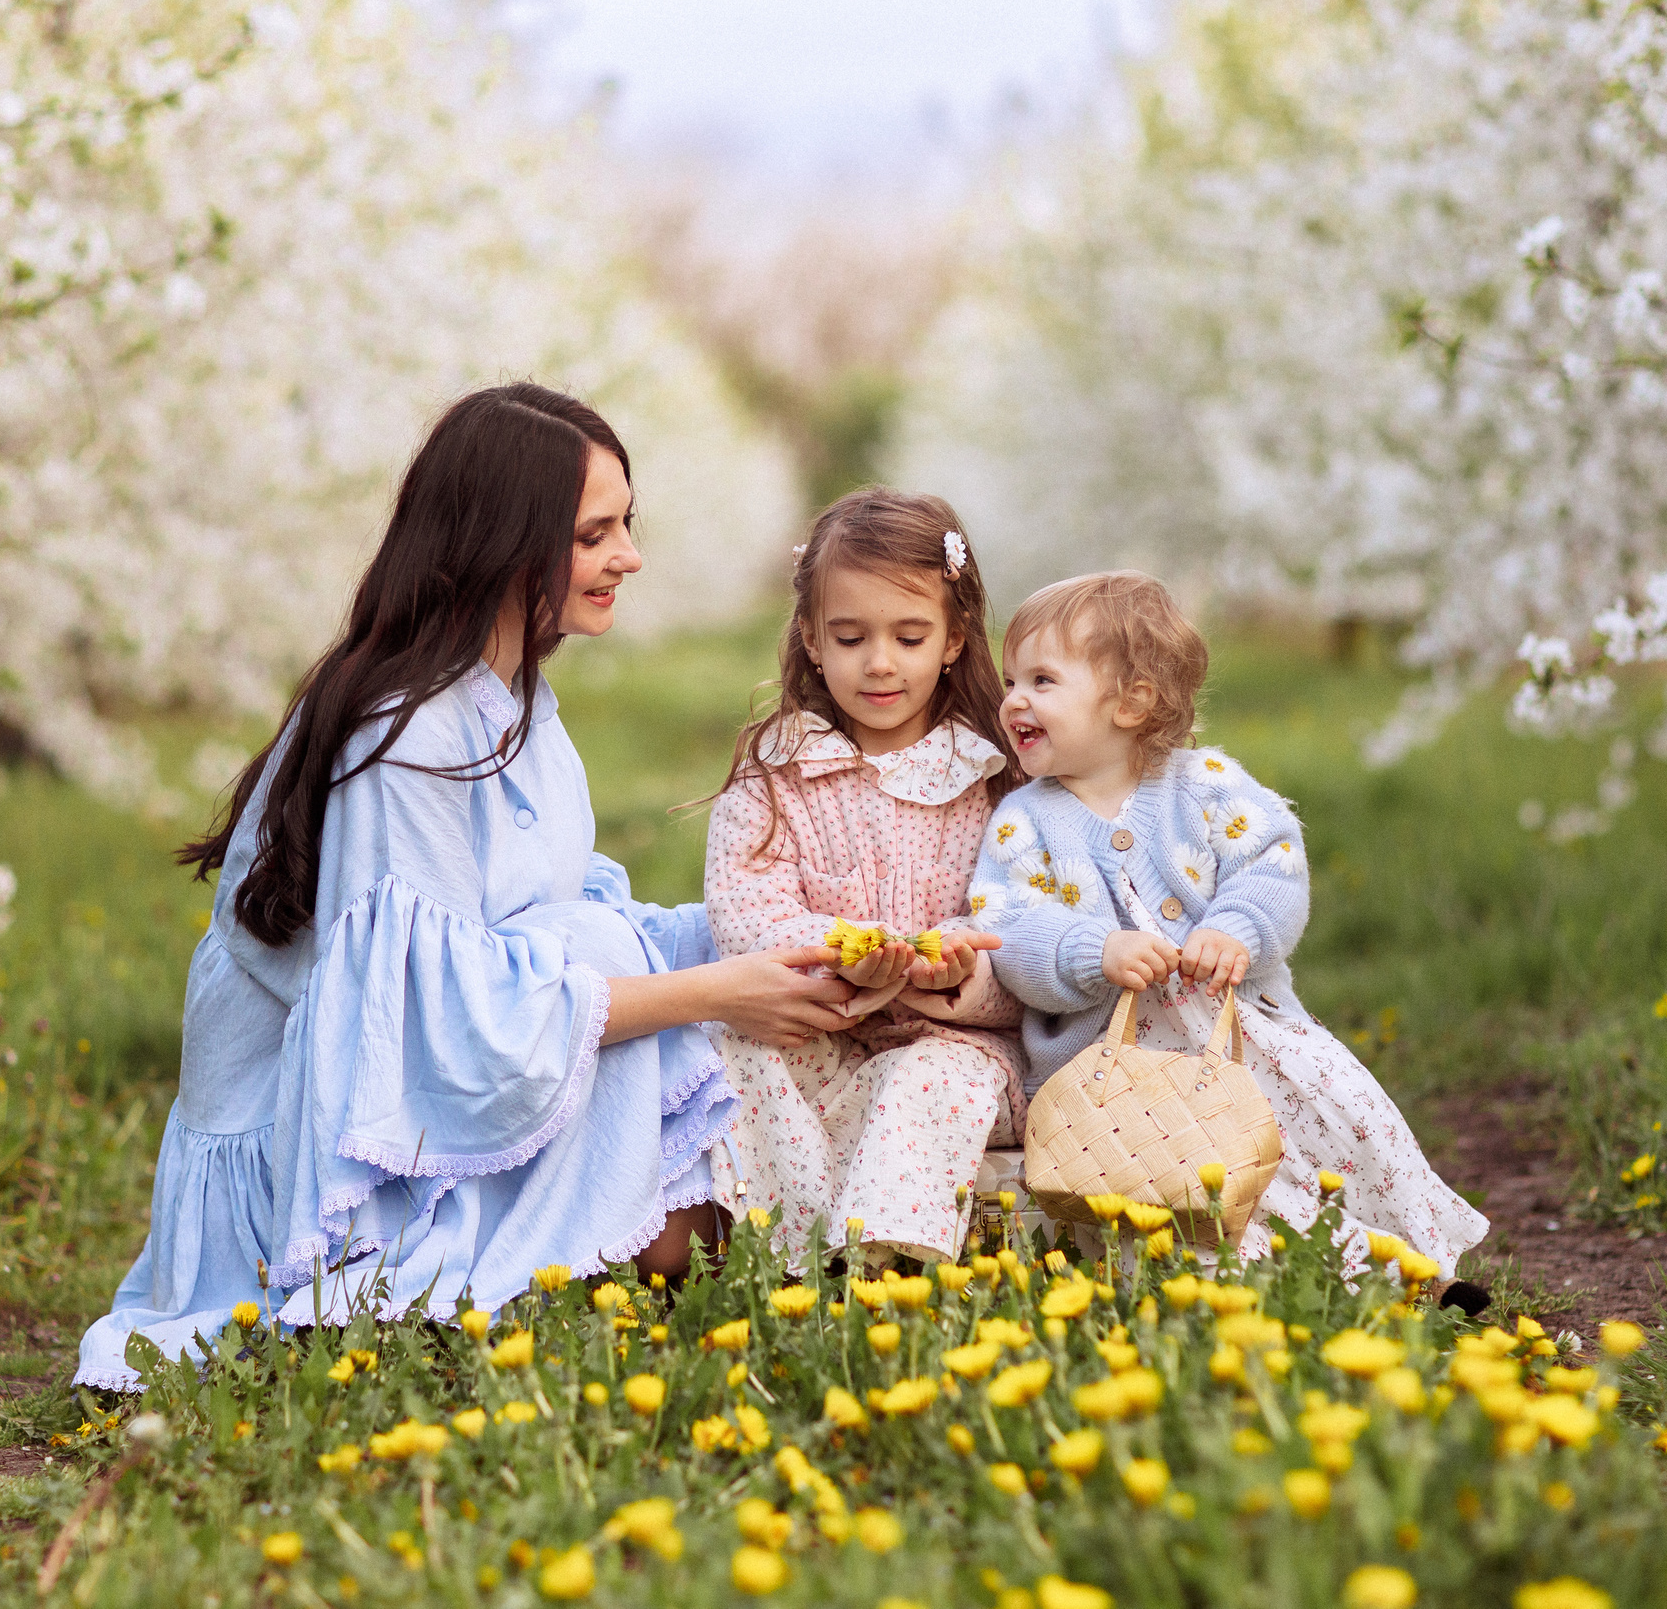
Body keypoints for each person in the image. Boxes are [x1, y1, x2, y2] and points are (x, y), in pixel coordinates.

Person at [75, 384, 857, 1390]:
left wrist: (771, 938)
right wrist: (719, 991)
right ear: (507, 542)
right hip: (330, 1139)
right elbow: (431, 1022)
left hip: (452, 1073)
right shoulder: (406, 736)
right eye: (594, 533)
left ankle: (703, 1260)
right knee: (621, 991)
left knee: (614, 966)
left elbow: (548, 925)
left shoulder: (513, 697)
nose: (630, 556)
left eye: (628, 524)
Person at [969, 571, 1487, 1278]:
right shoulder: (1022, 822)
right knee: (1187, 1184)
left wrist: (1236, 928)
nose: (1015, 700)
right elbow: (1008, 930)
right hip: (1119, 1074)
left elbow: (1272, 864)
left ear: (1131, 701)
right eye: (1011, 681)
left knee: (1342, 1119)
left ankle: (1411, 1261)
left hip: (1245, 1034)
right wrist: (1094, 949)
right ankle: (1275, 1279)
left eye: (1042, 680)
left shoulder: (1206, 785)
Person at [702, 490, 1028, 1268]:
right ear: (813, 639)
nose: (880, 663)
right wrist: (845, 948)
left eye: (909, 636)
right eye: (850, 637)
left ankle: (888, 1260)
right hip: (820, 1031)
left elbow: (1031, 929)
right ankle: (794, 1255)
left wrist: (958, 969)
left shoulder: (994, 781)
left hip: (950, 1043)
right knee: (733, 1050)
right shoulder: (778, 776)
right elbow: (745, 908)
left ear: (952, 639)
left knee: (931, 1079)